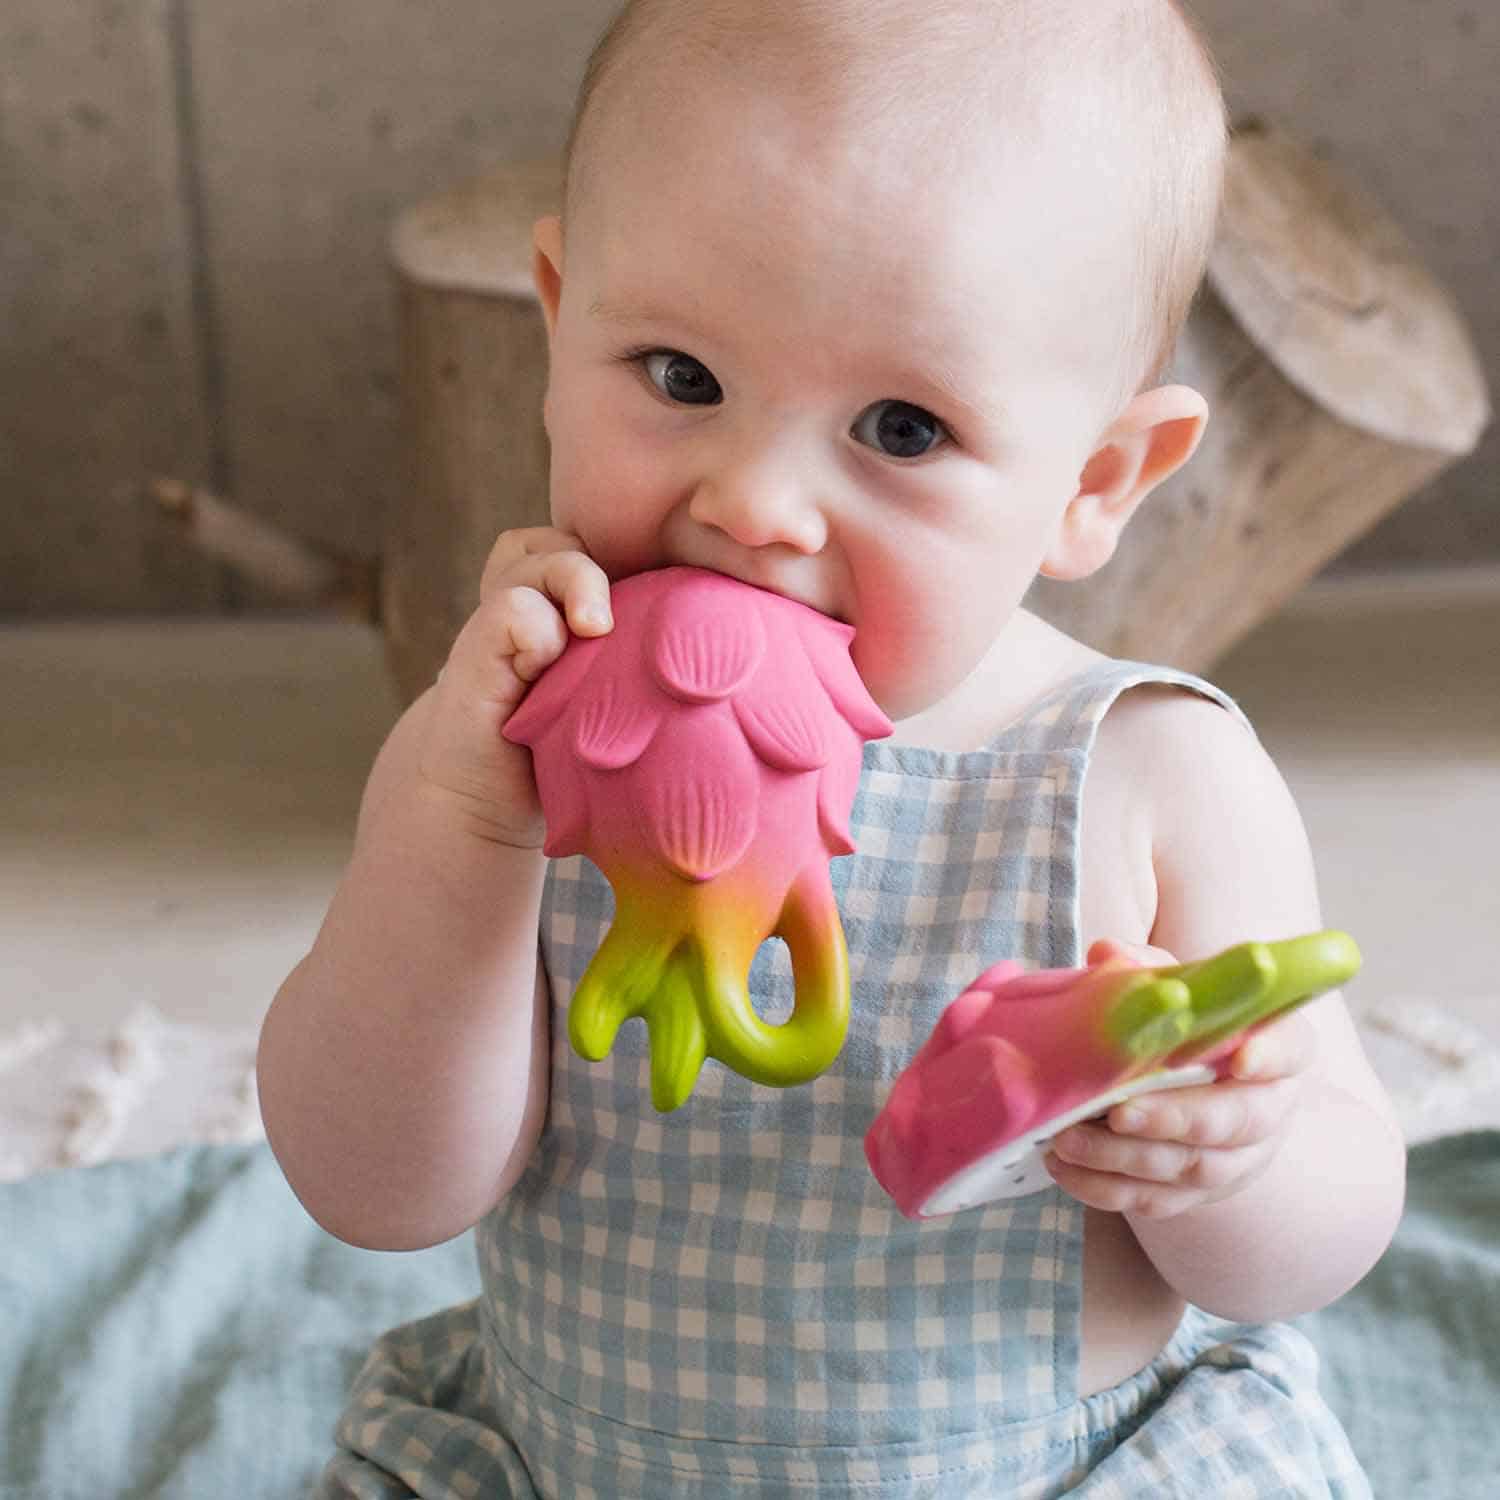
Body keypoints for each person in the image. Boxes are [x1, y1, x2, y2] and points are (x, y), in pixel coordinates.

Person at [257, 1, 1406, 1494]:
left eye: (902, 429)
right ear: (557, 321)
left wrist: (1234, 1159)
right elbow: (374, 1189)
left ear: (1097, 479)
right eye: (679, 378)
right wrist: (457, 836)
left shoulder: (1141, 772)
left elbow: (1319, 1240)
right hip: (576, 1465)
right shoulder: (506, 752)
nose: (753, 504)